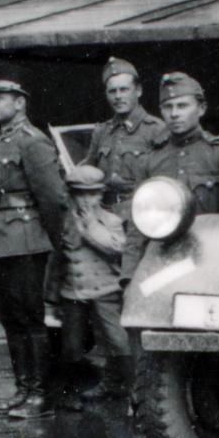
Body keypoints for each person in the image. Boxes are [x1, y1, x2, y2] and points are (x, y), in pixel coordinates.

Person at [0, 64, 67, 419]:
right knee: (10, 318)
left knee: (30, 319)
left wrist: (59, 246)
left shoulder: (33, 141)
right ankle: (21, 390)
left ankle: (40, 395)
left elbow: (54, 199)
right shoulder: (1, 139)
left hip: (25, 241)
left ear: (19, 103)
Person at [121, 71, 219, 279]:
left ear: (201, 109)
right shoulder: (150, 159)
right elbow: (136, 226)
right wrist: (129, 277)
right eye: (168, 107)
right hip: (163, 266)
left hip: (212, 262)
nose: (174, 114)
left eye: (182, 106)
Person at [54, 163, 131, 410]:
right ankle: (70, 394)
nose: (85, 199)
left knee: (118, 342)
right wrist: (53, 295)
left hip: (105, 289)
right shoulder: (63, 220)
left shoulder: (110, 220)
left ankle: (133, 397)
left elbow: (115, 248)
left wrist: (90, 226)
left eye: (91, 193)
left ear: (100, 194)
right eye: (79, 193)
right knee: (71, 347)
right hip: (73, 290)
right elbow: (57, 257)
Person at [84, 57, 164, 216]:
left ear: (138, 91)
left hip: (142, 215)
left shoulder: (157, 129)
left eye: (124, 89)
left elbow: (163, 185)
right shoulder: (102, 131)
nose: (118, 96)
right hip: (105, 215)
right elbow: (89, 174)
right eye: (112, 91)